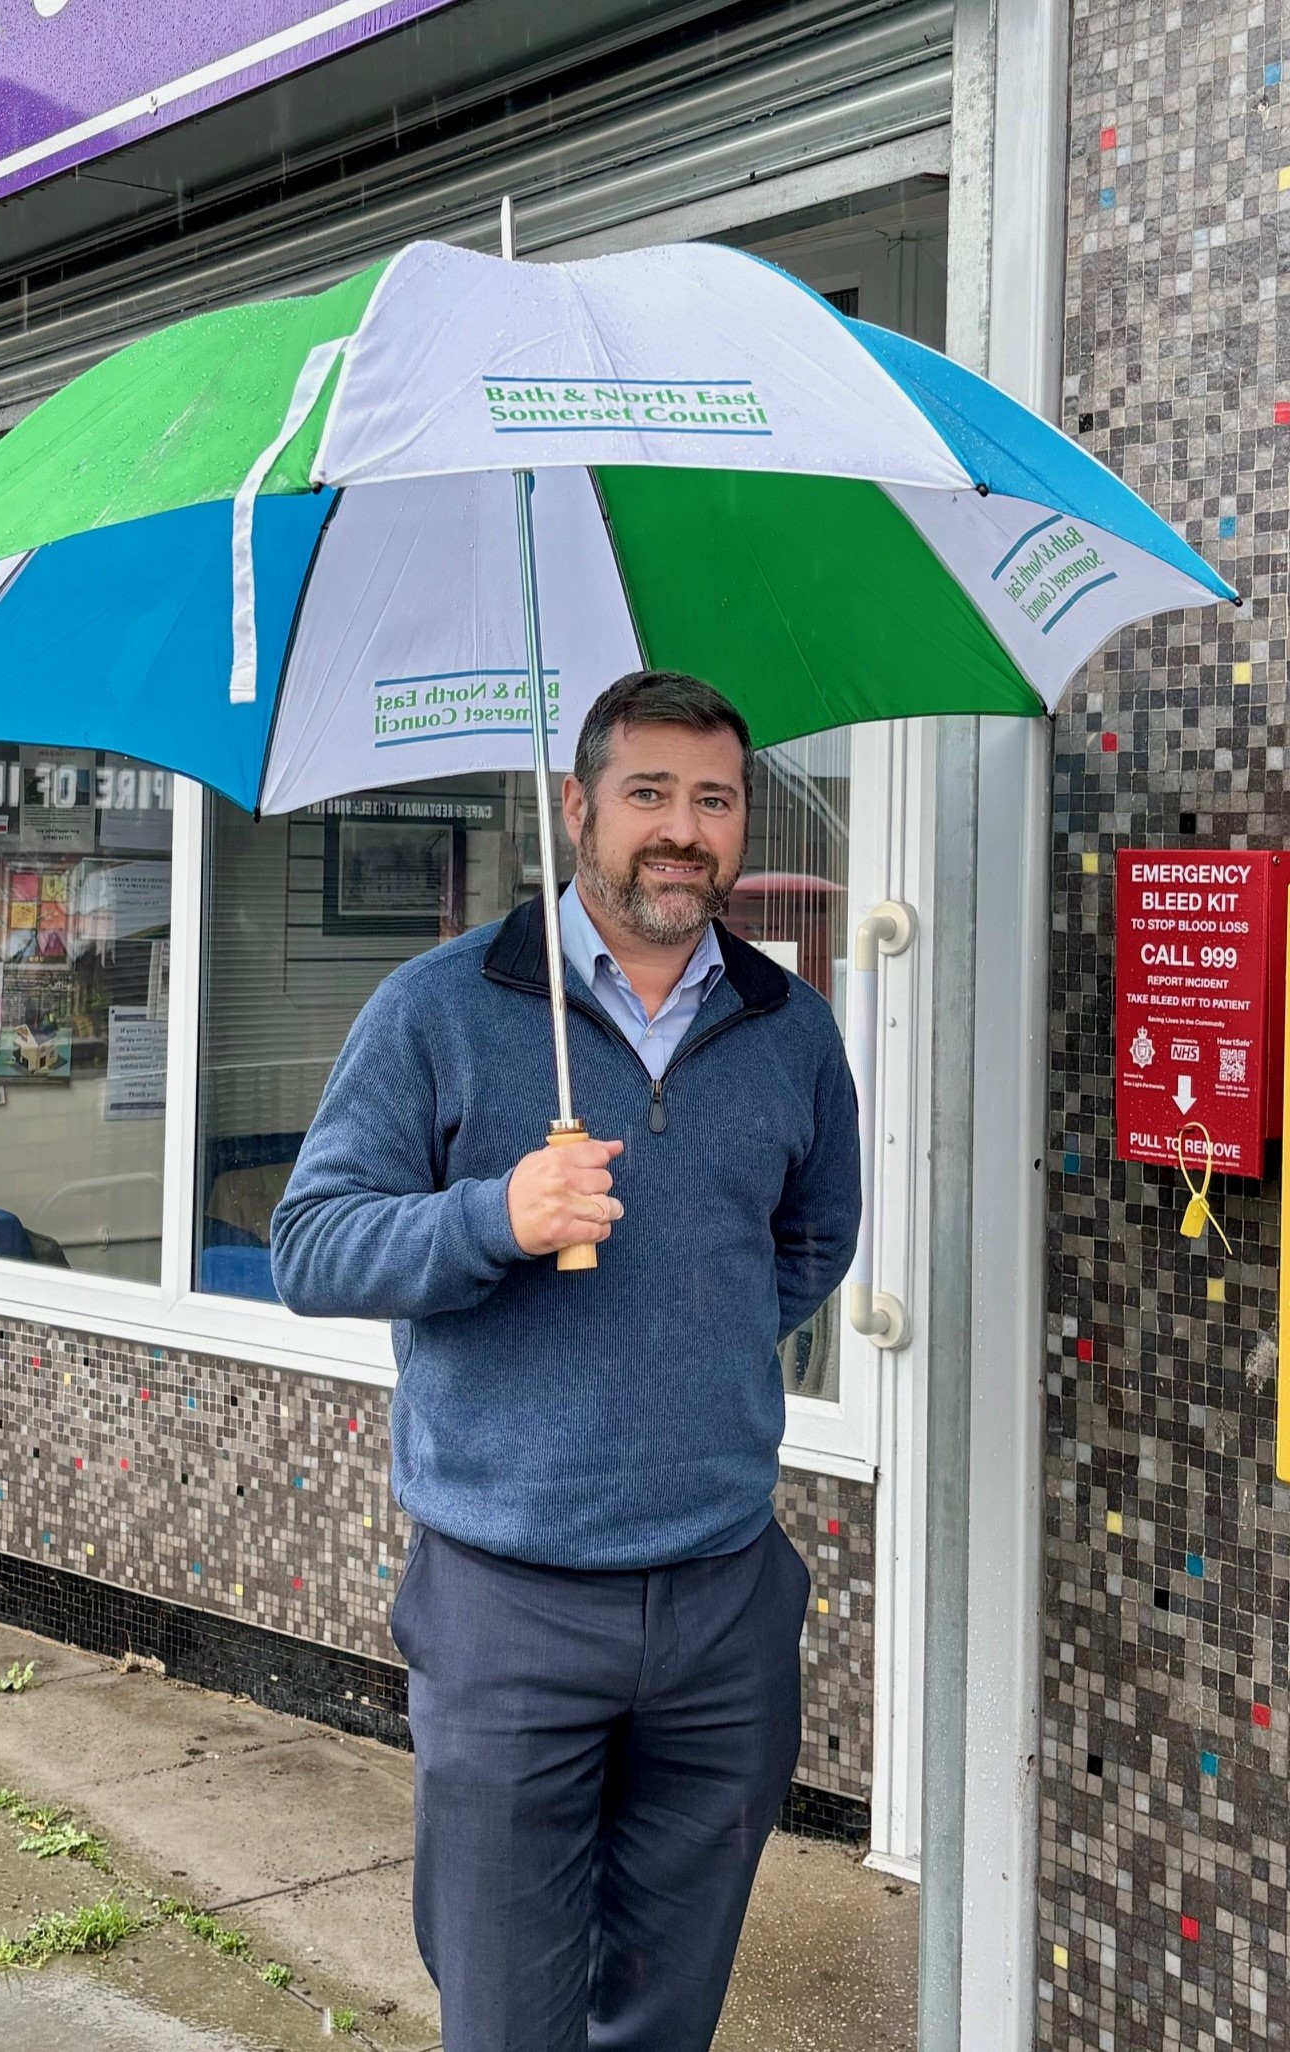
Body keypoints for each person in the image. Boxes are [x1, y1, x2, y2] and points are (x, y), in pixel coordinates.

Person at [271, 669, 862, 2052]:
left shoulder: (791, 1028)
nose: (682, 829)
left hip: (723, 1601)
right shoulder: (442, 1010)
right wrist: (497, 1219)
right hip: (508, 1604)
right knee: (508, 2014)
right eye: (648, 793)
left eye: (713, 799)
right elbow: (313, 1246)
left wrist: (686, 1347)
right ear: (576, 808)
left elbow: (811, 1241)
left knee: (668, 2007)